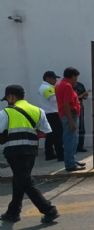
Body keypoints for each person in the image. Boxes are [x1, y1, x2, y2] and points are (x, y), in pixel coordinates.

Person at [0, 85, 60, 224]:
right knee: (20, 179)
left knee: (25, 182)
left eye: (7, 98)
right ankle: (13, 212)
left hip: (14, 152)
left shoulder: (6, 112)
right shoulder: (38, 110)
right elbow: (45, 132)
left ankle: (49, 210)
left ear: (12, 97)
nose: (7, 101)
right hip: (31, 151)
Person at [55, 67, 86, 171]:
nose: (76, 81)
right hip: (69, 115)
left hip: (68, 115)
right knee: (70, 141)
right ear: (72, 76)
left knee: (72, 140)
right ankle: (70, 164)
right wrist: (71, 121)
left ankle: (72, 160)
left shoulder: (60, 84)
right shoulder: (67, 86)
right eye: (75, 78)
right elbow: (66, 104)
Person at [38, 71, 64, 161]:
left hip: (50, 114)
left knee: (51, 136)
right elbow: (53, 99)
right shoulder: (46, 87)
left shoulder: (48, 87)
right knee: (58, 135)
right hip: (52, 114)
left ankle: (49, 154)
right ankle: (61, 155)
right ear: (47, 78)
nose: (55, 80)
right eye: (54, 78)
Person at [73, 81, 89, 152]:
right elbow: (73, 98)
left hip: (80, 107)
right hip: (72, 107)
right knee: (72, 128)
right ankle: (73, 147)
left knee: (81, 127)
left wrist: (85, 95)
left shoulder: (80, 85)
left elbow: (85, 97)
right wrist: (83, 94)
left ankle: (80, 146)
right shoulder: (68, 85)